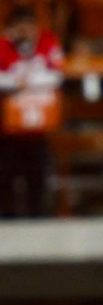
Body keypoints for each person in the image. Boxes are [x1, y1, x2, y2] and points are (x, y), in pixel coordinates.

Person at [0, 7, 63, 217]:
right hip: (9, 130)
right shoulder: (3, 46)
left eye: (29, 27)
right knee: (7, 176)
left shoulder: (47, 42)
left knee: (37, 177)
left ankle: (38, 219)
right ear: (11, 29)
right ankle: (9, 219)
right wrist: (14, 82)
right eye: (20, 27)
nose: (25, 32)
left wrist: (27, 81)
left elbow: (56, 75)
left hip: (39, 129)